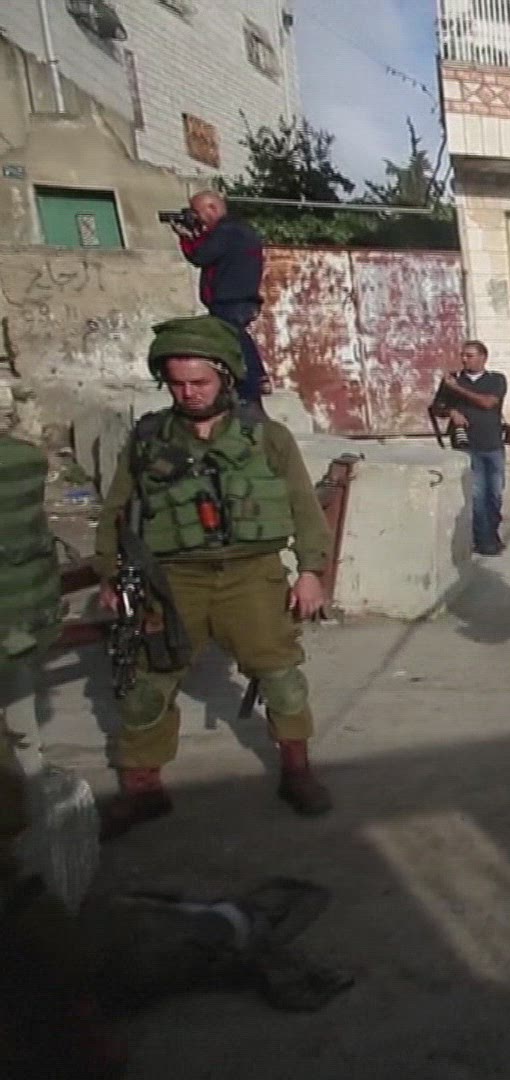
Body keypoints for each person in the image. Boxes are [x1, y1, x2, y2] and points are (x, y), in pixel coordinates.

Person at [92, 316, 335, 839]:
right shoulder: (148, 439)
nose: (189, 393)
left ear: (225, 377)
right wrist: (110, 574)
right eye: (177, 383)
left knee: (281, 677)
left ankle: (297, 771)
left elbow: (304, 507)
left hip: (251, 576)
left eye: (199, 382)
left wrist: (311, 572)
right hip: (171, 581)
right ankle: (143, 789)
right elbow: (117, 510)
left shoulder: (267, 438)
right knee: (145, 684)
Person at [2, 429, 129, 1078]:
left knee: (23, 759)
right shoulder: (22, 460)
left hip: (14, 637)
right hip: (19, 636)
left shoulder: (20, 462)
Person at [172, 190, 268, 416]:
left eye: (197, 213)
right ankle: (249, 383)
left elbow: (200, 255)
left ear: (212, 208)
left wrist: (185, 237)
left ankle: (253, 382)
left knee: (233, 338)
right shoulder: (239, 231)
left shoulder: (227, 231)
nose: (196, 218)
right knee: (233, 338)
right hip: (239, 298)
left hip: (230, 299)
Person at [430, 340, 510, 557]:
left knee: (494, 494)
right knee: (477, 495)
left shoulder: (495, 380)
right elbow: (437, 407)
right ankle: (484, 541)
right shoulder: (452, 380)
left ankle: (492, 535)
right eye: (463, 355)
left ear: (483, 357)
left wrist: (457, 388)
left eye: (470, 355)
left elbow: (488, 403)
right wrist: (451, 412)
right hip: (466, 445)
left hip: (492, 443)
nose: (464, 359)